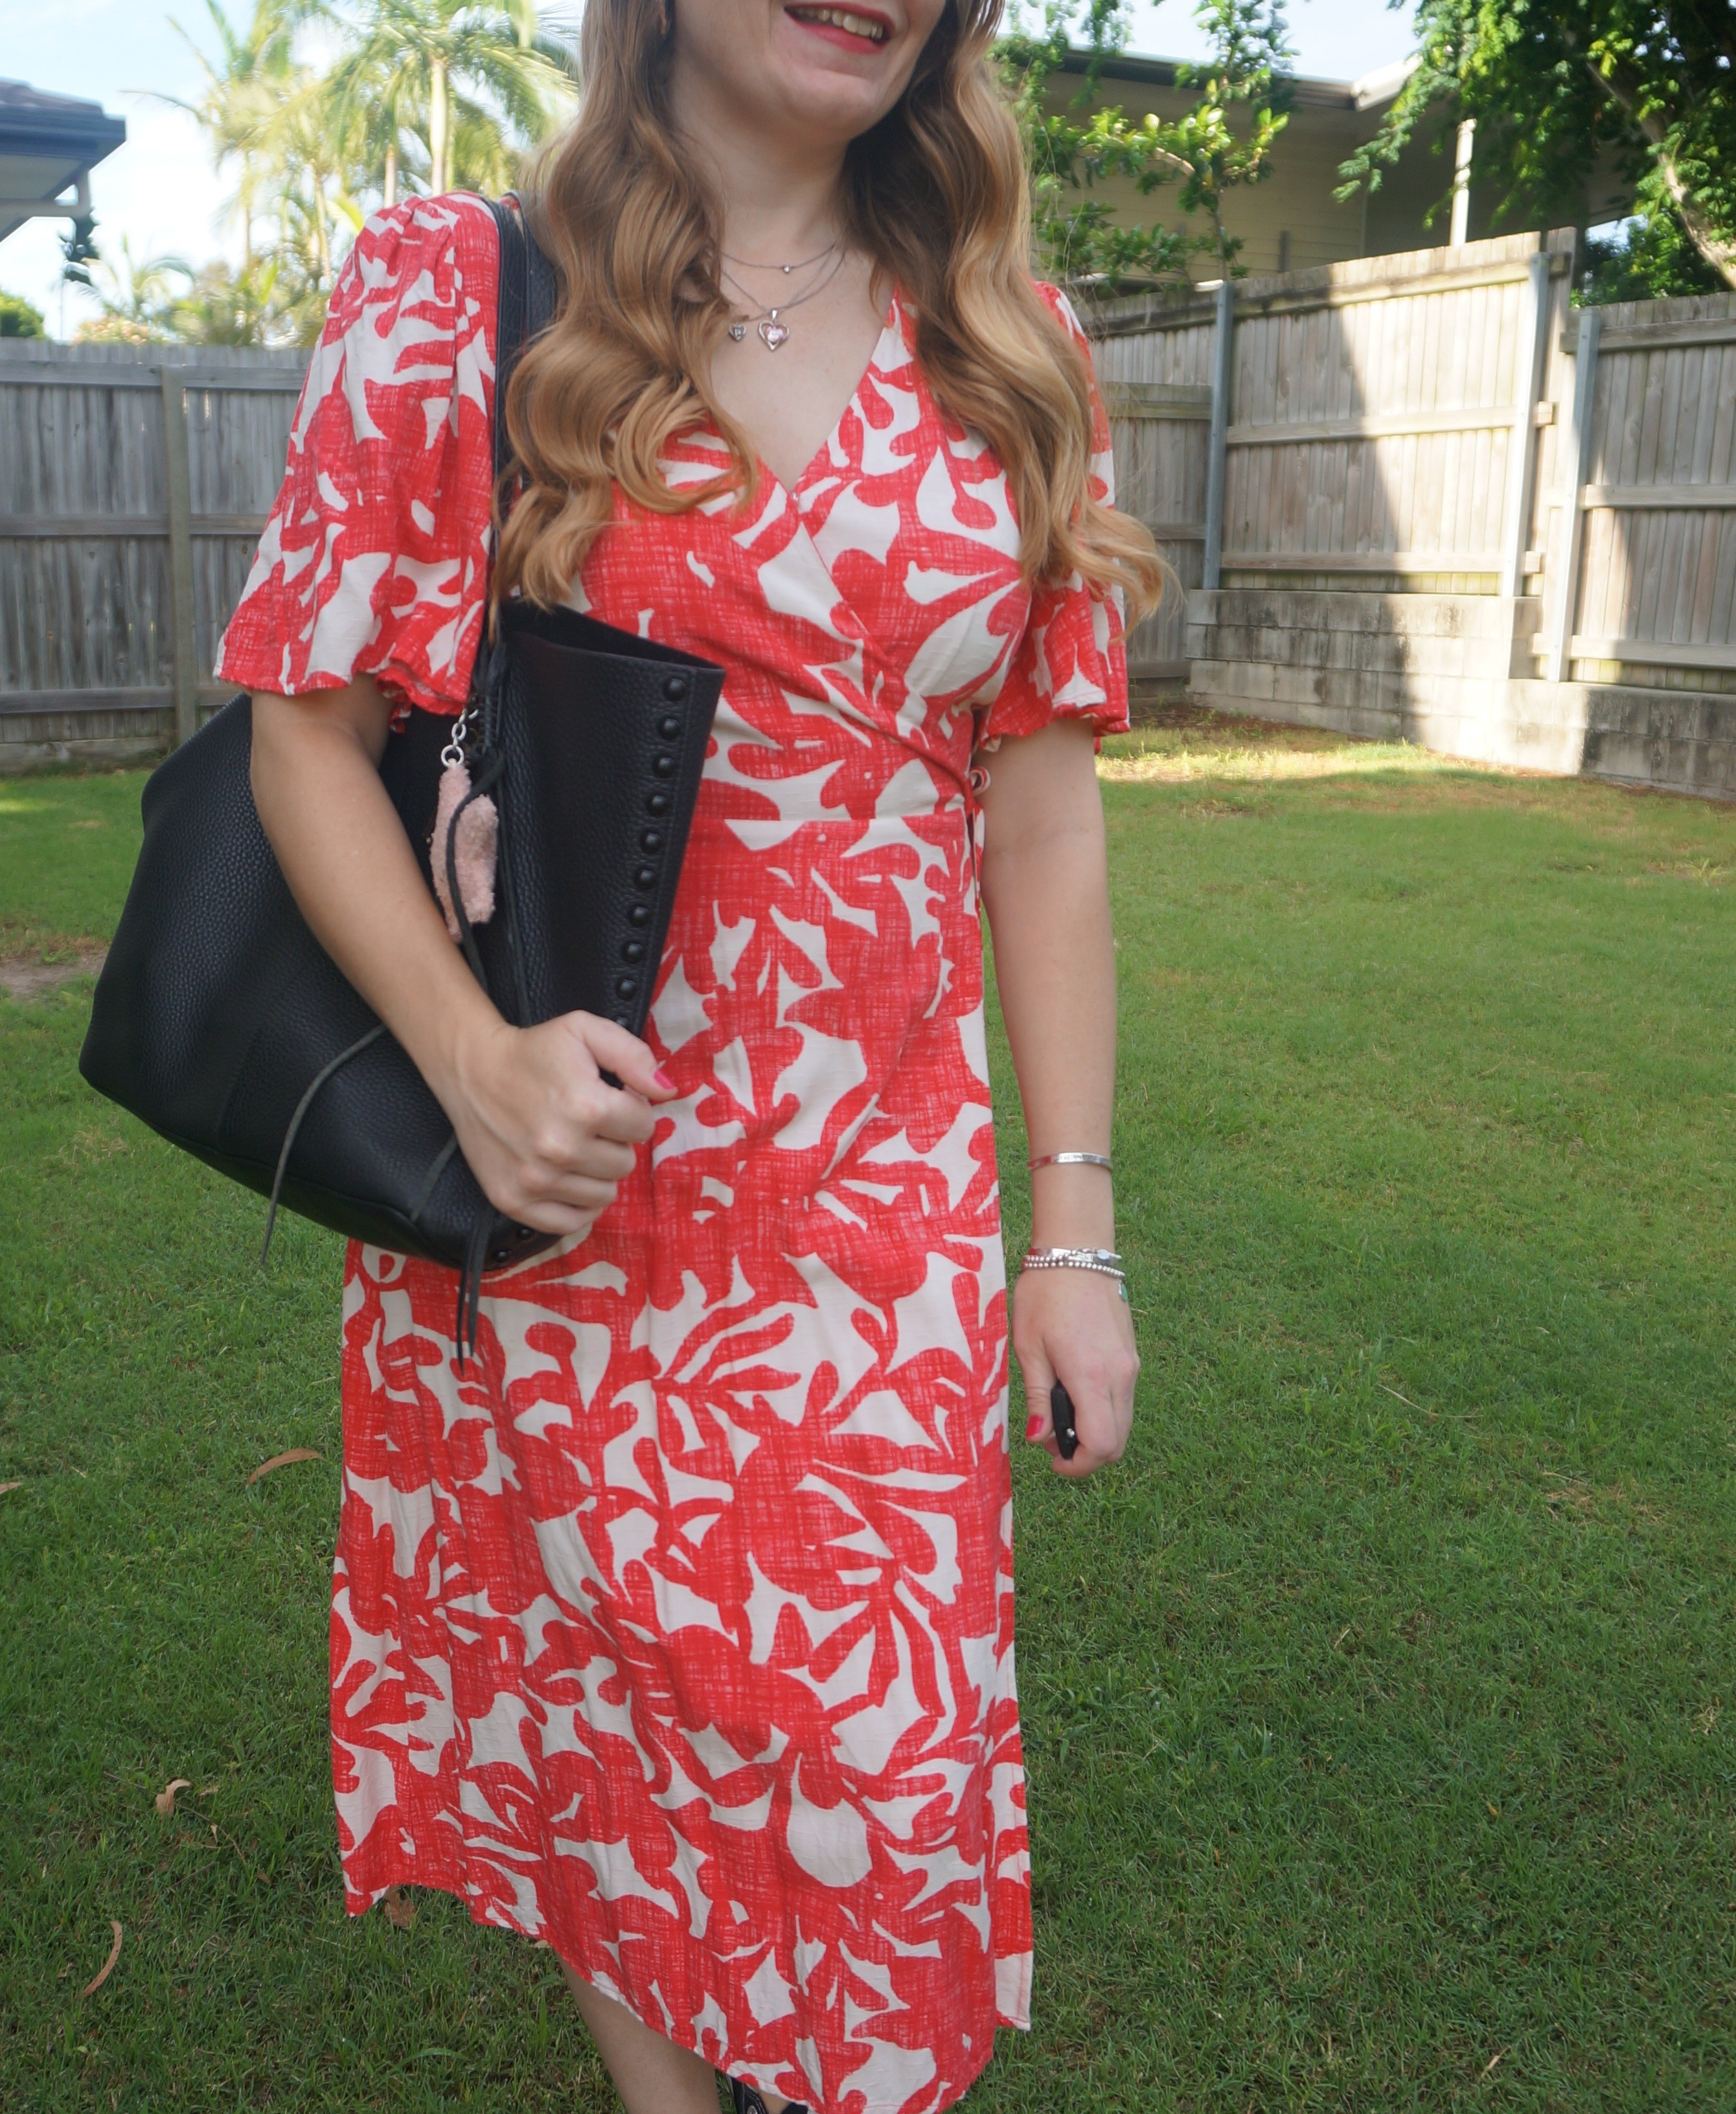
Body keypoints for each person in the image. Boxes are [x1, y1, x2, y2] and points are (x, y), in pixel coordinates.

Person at [215, 0, 1158, 2104]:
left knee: (877, 1778)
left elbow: (1044, 804)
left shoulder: (1011, 336)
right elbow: (304, 728)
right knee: (612, 1727)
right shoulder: (462, 289)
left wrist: (1070, 1236)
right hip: (565, 1201)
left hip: (879, 1223)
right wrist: (468, 1064)